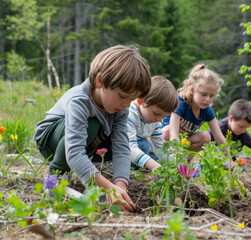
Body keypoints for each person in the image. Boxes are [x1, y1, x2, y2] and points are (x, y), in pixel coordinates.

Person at [33, 45, 152, 212]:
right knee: (92, 125)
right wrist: (108, 189)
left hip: (85, 143)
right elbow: (74, 153)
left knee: (115, 139)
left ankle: (93, 174)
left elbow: (122, 149)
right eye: (123, 96)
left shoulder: (120, 108)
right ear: (100, 81)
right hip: (51, 140)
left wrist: (120, 186)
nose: (127, 104)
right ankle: (55, 179)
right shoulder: (79, 101)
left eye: (132, 99)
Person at [162, 64, 228, 155]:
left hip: (184, 142)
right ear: (192, 90)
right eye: (204, 94)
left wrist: (229, 160)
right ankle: (168, 158)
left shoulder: (206, 110)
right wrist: (177, 157)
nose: (208, 99)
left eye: (211, 96)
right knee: (167, 131)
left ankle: (186, 158)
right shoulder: (180, 103)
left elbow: (219, 137)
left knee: (206, 137)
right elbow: (173, 135)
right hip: (165, 141)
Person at [128, 76, 178, 173]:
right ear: (140, 100)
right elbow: (128, 148)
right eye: (156, 113)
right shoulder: (130, 114)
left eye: (163, 116)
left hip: (136, 154)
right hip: (119, 154)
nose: (159, 119)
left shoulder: (154, 121)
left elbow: (160, 146)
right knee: (143, 145)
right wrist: (153, 165)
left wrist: (176, 166)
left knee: (151, 150)